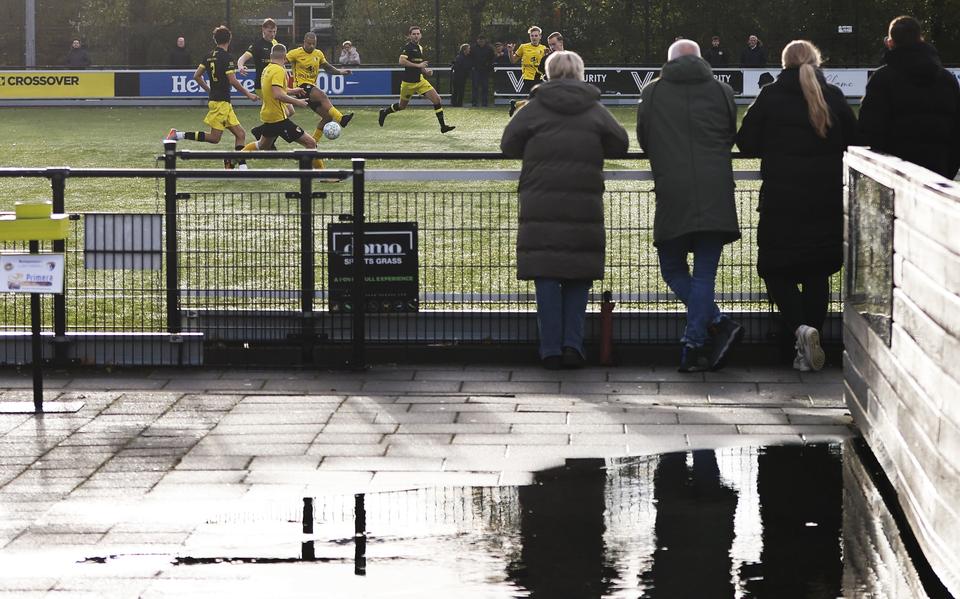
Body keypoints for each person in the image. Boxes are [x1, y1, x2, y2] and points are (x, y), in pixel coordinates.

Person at [500, 51, 629, 369]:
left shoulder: (533, 108)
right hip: (583, 204)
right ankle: (573, 345)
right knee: (578, 277)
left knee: (546, 276)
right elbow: (621, 143)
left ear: (548, 73)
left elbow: (508, 144)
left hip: (541, 204)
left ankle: (550, 350)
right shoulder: (595, 109)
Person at [736, 40, 858, 372]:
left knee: (776, 269)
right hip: (827, 199)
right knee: (818, 271)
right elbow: (854, 139)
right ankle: (809, 337)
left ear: (784, 62)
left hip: (782, 200)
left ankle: (800, 331)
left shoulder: (770, 96)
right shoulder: (832, 95)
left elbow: (745, 142)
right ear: (817, 61)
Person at [637, 39, 743, 372]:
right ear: (700, 59)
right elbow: (729, 133)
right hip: (715, 190)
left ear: (668, 61)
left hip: (673, 190)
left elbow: (644, 137)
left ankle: (700, 338)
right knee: (704, 275)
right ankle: (707, 332)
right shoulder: (722, 91)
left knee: (671, 267)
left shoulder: (653, 93)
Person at [859, 16, 960, 180]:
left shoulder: (882, 79)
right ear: (921, 38)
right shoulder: (947, 79)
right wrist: (947, 170)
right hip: (938, 172)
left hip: (894, 174)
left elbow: (869, 131)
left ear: (890, 43)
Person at [165, 26, 259, 170]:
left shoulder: (208, 56)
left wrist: (210, 90)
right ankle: (178, 135)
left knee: (240, 134)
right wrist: (249, 94)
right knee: (215, 138)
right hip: (221, 103)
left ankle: (239, 167)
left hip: (221, 102)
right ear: (229, 39)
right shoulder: (227, 57)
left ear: (215, 39)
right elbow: (232, 80)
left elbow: (196, 76)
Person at [241, 44, 318, 162]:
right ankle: (323, 175)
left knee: (262, 145)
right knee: (311, 143)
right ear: (285, 57)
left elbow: (274, 90)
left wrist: (293, 91)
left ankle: (233, 159)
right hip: (279, 118)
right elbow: (278, 94)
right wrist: (297, 102)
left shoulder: (267, 69)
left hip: (269, 115)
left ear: (271, 56)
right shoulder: (279, 70)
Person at [378, 25, 455, 134]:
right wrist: (418, 66)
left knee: (437, 100)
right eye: (413, 34)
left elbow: (419, 64)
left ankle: (443, 127)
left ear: (421, 35)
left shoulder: (420, 47)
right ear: (409, 36)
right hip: (408, 83)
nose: (416, 36)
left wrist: (425, 71)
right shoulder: (408, 47)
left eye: (418, 34)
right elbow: (401, 61)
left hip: (420, 81)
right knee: (402, 106)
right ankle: (384, 112)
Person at [286, 32, 354, 144]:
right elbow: (281, 61)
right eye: (309, 44)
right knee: (322, 95)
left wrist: (341, 72)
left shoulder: (318, 54)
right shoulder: (295, 53)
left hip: (310, 89)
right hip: (301, 88)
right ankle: (341, 119)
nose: (311, 46)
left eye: (314, 44)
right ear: (304, 42)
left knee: (327, 117)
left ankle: (313, 143)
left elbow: (328, 68)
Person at [237, 18, 281, 101]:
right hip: (262, 85)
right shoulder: (257, 45)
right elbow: (242, 58)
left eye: (274, 31)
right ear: (263, 30)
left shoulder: (275, 43)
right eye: (270, 31)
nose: (272, 34)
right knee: (280, 111)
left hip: (274, 83)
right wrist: (240, 66)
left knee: (289, 111)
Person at [510, 26, 547, 97]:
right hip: (528, 77)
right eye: (532, 36)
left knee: (538, 97)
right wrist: (510, 51)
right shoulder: (523, 47)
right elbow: (513, 60)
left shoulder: (544, 48)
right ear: (530, 37)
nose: (534, 38)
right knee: (534, 96)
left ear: (540, 37)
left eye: (536, 36)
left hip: (540, 76)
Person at [471, 35, 495, 107]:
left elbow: (492, 58)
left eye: (482, 40)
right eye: (479, 40)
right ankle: (474, 102)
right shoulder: (473, 48)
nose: (481, 42)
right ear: (477, 40)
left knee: (485, 87)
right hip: (476, 70)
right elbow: (470, 58)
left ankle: (484, 103)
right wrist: (472, 67)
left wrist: (489, 67)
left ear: (485, 40)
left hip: (485, 70)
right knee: (475, 87)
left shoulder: (489, 48)